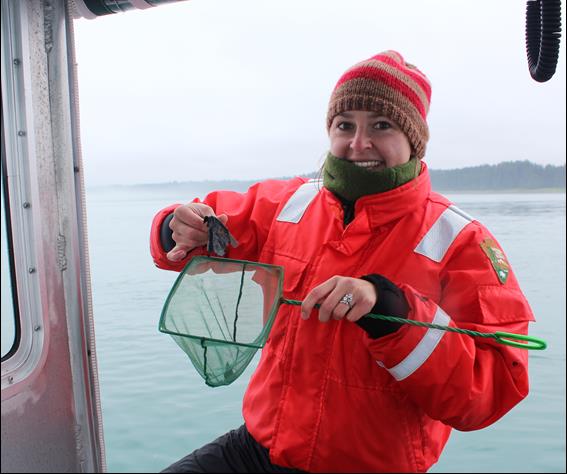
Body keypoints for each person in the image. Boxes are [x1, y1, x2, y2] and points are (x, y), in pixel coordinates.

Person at [150, 50, 535, 473]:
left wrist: (391, 311)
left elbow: (491, 390)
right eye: (344, 124)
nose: (358, 143)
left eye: (381, 126)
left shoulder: (461, 242)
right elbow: (202, 223)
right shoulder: (288, 203)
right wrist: (178, 226)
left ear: (414, 139)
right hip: (260, 450)